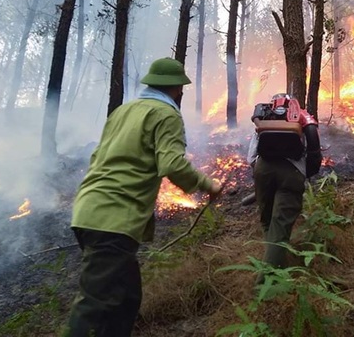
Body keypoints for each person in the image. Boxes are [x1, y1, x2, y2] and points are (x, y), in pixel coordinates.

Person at [65, 57, 222, 336]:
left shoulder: (124, 111)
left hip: (89, 209)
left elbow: (97, 156)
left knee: (126, 299)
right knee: (94, 303)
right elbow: (172, 164)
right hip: (114, 218)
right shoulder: (166, 115)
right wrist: (207, 185)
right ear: (177, 89)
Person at [247, 93, 322, 283]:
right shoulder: (302, 116)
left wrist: (258, 171)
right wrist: (307, 173)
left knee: (267, 219)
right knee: (280, 224)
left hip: (263, 170)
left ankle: (276, 261)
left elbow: (251, 155)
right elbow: (313, 144)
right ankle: (266, 282)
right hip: (292, 172)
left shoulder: (265, 116)